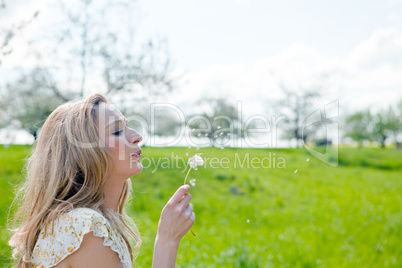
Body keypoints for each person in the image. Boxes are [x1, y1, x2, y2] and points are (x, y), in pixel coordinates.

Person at [9, 94, 195, 268]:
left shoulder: (78, 222)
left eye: (127, 126)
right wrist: (167, 240)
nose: (137, 137)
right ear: (84, 155)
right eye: (117, 131)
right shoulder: (85, 227)